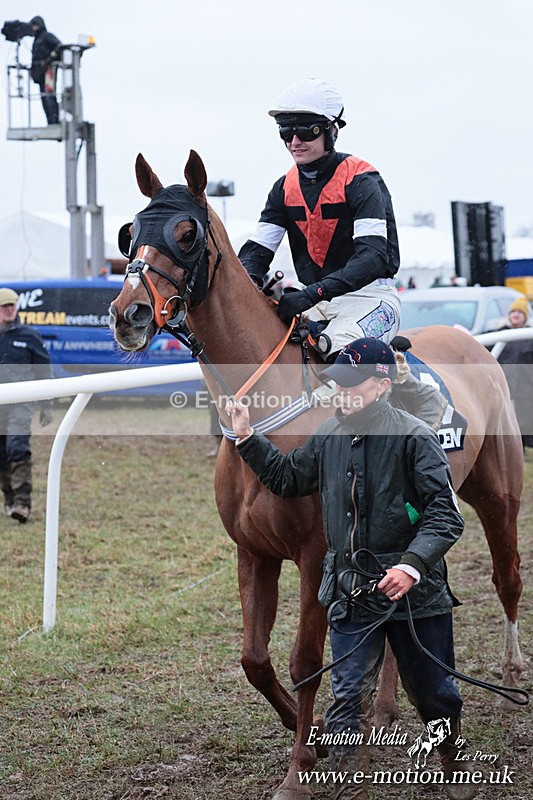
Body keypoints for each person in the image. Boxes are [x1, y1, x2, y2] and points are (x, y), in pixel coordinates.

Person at [226, 338, 474, 800]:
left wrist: (412, 566)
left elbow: (446, 514)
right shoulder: (328, 436)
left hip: (413, 596)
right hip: (352, 591)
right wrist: (246, 437)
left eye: (351, 386)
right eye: (337, 385)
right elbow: (286, 478)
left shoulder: (414, 437)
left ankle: (452, 754)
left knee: (434, 695)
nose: (340, 393)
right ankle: (350, 788)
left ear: (381, 386)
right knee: (346, 700)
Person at [238, 78, 401, 359]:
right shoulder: (283, 188)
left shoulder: (361, 180)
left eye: (306, 130)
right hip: (314, 301)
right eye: (286, 132)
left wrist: (312, 293)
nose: (295, 142)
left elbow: (373, 258)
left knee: (342, 353)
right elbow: (257, 251)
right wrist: (248, 278)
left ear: (332, 130)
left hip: (371, 298)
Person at [0, 288, 54, 522]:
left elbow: (43, 371)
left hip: (21, 403)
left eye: (12, 305)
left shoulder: (29, 336)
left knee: (17, 446)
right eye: (5, 306)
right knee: (2, 453)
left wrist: (47, 405)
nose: (10, 309)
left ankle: (23, 503)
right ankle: (9, 497)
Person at [495, 296, 533, 450]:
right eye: (513, 311)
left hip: (526, 385)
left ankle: (524, 446)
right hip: (504, 384)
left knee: (525, 416)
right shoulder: (498, 334)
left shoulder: (529, 336)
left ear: (525, 316)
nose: (516, 314)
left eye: (520, 312)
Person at [29, 16, 61, 125]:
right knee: (44, 98)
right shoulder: (37, 39)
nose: (34, 27)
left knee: (49, 97)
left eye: (35, 24)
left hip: (48, 72)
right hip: (40, 74)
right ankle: (50, 121)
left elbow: (59, 46)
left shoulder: (46, 36)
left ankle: (54, 121)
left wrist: (50, 59)